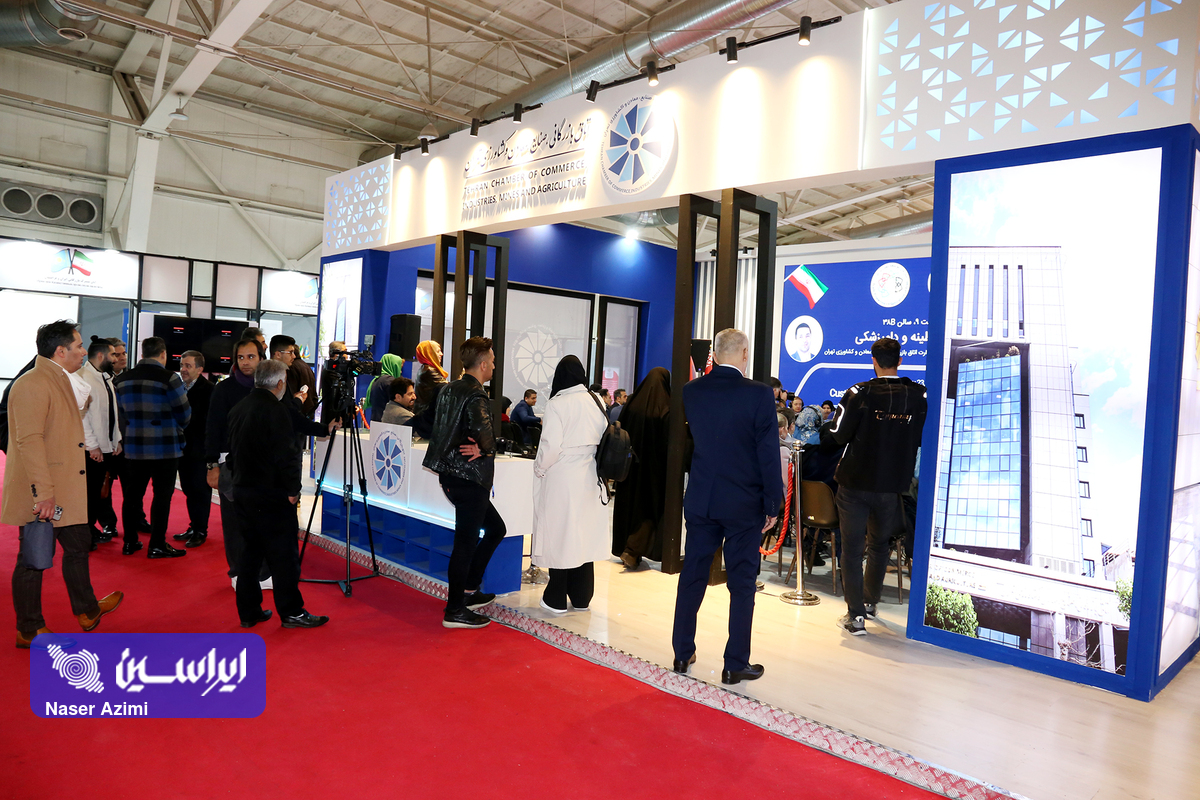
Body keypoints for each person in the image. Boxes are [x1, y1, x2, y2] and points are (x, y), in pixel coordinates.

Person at [671, 328, 782, 686]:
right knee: (742, 582)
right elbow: (768, 453)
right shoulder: (759, 394)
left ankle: (682, 652)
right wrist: (774, 502)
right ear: (745, 354)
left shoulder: (692, 390)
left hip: (702, 498)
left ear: (715, 355)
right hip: (743, 503)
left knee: (693, 575)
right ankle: (735, 664)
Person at [6, 320, 122, 648]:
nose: (84, 352)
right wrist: (43, 494)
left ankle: (86, 609)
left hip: (66, 489)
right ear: (60, 351)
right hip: (44, 492)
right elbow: (29, 442)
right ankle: (29, 629)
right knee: (33, 559)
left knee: (78, 545)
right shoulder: (32, 384)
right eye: (79, 346)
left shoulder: (61, 380)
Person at [826, 337, 926, 636]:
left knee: (852, 549)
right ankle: (869, 603)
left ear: (874, 361)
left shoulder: (859, 393)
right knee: (880, 546)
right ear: (900, 361)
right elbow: (921, 436)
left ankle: (856, 616)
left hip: (855, 483)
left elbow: (838, 434)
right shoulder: (918, 395)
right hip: (892, 485)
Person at [226, 359, 328, 629]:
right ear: (281, 383)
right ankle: (292, 611)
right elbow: (287, 456)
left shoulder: (239, 407)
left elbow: (233, 452)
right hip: (271, 494)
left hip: (243, 490)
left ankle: (249, 611)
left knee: (249, 554)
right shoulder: (276, 411)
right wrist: (293, 490)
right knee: (284, 557)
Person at [423, 337, 505, 629]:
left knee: (495, 529)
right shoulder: (476, 395)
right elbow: (485, 434)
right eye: (492, 361)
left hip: (452, 475)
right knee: (465, 544)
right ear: (482, 365)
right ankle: (455, 609)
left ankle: (469, 588)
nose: (494, 366)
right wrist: (488, 447)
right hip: (470, 477)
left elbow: (428, 421)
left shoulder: (448, 389)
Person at [532, 357, 609, 614]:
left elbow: (551, 445)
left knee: (560, 534)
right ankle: (581, 597)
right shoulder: (595, 400)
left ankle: (555, 598)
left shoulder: (557, 403)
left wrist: (539, 468)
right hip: (590, 475)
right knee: (582, 535)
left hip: (562, 475)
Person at [113, 336, 191, 558]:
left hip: (134, 446)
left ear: (142, 353)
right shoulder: (170, 378)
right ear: (163, 354)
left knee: (132, 496)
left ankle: (129, 542)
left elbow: (120, 414)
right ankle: (157, 544)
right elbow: (184, 413)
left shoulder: (122, 380)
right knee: (162, 497)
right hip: (165, 447)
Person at [207, 337, 267, 588]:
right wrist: (212, 465)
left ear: (261, 358)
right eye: (241, 357)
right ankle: (238, 572)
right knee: (234, 523)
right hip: (231, 467)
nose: (245, 362)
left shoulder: (271, 388)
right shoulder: (224, 389)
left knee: (262, 522)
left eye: (251, 357)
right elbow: (213, 428)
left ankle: (263, 573)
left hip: (264, 468)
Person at [611, 367, 671, 568]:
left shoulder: (632, 404)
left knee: (628, 506)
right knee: (648, 510)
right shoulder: (665, 406)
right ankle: (633, 549)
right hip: (653, 469)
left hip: (628, 466)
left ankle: (625, 547)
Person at [79, 337, 122, 546]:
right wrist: (92, 446)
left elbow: (111, 413)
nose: (116, 359)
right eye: (113, 354)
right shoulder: (83, 378)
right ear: (100, 355)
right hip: (91, 450)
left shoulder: (105, 378)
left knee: (98, 494)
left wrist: (116, 440)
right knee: (89, 494)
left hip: (105, 447)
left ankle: (90, 530)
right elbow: (82, 417)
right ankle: (85, 535)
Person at [174, 350, 213, 548]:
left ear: (199, 369)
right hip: (182, 449)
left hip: (200, 450)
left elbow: (209, 423)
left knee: (200, 490)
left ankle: (200, 530)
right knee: (188, 488)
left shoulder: (209, 390)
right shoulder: (178, 388)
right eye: (182, 365)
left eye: (188, 366)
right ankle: (193, 525)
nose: (183, 369)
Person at [409, 340, 447, 439]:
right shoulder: (429, 371)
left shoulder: (426, 369)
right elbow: (448, 389)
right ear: (430, 353)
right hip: (428, 421)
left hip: (425, 419)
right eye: (438, 351)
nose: (441, 354)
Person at [365, 353, 405, 423]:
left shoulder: (377, 380)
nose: (400, 371)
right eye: (399, 367)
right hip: (385, 422)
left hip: (377, 420)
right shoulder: (389, 381)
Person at [319, 340, 347, 426]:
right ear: (336, 353)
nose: (347, 355)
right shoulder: (330, 371)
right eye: (345, 352)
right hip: (333, 415)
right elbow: (337, 393)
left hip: (339, 412)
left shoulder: (339, 370)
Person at [287, 343, 318, 419]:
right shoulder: (307, 367)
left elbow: (292, 391)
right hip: (309, 409)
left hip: (299, 410)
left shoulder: (292, 368)